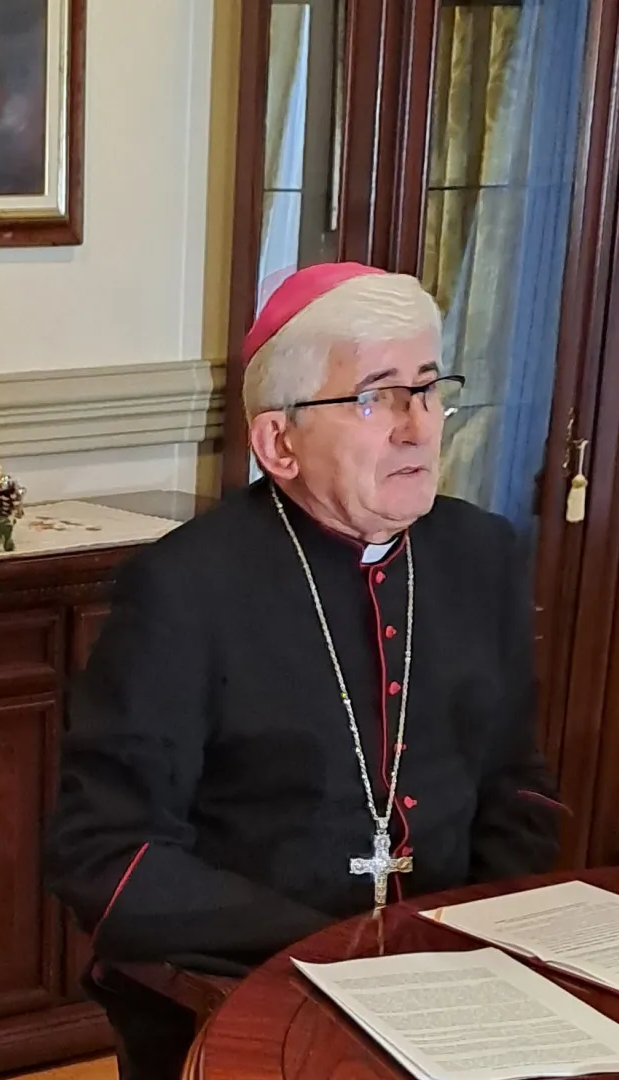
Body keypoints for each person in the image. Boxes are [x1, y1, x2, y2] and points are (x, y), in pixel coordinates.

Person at [44, 262, 564, 1079]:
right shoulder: (185, 588)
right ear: (278, 443)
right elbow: (106, 854)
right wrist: (338, 952)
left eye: (428, 388)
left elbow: (516, 787)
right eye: (377, 397)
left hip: (456, 990)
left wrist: (476, 950)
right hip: (251, 992)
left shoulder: (480, 556)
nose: (418, 427)